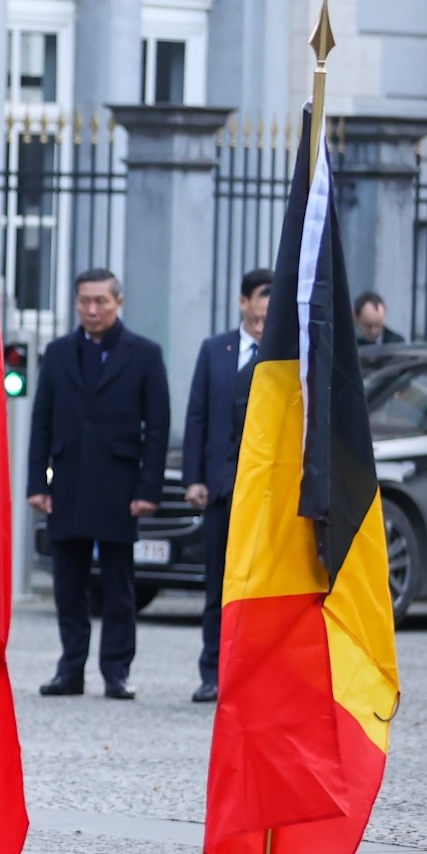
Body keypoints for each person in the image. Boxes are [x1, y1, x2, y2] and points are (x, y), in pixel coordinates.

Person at [26, 268, 171, 701]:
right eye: (85, 301)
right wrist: (38, 482)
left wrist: (148, 490)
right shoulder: (57, 353)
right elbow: (42, 422)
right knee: (67, 585)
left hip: (118, 485)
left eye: (101, 302)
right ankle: (70, 669)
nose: (92, 310)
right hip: (68, 481)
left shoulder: (144, 354)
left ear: (118, 303)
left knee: (118, 586)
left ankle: (116, 671)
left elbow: (157, 427)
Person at [182, 268, 271, 705]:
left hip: (267, 494)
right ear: (243, 301)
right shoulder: (216, 350)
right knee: (217, 586)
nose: (268, 305)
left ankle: (257, 675)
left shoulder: (286, 352)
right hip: (222, 488)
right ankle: (212, 672)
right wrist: (194, 479)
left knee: (262, 589)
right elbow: (196, 416)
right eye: (262, 295)